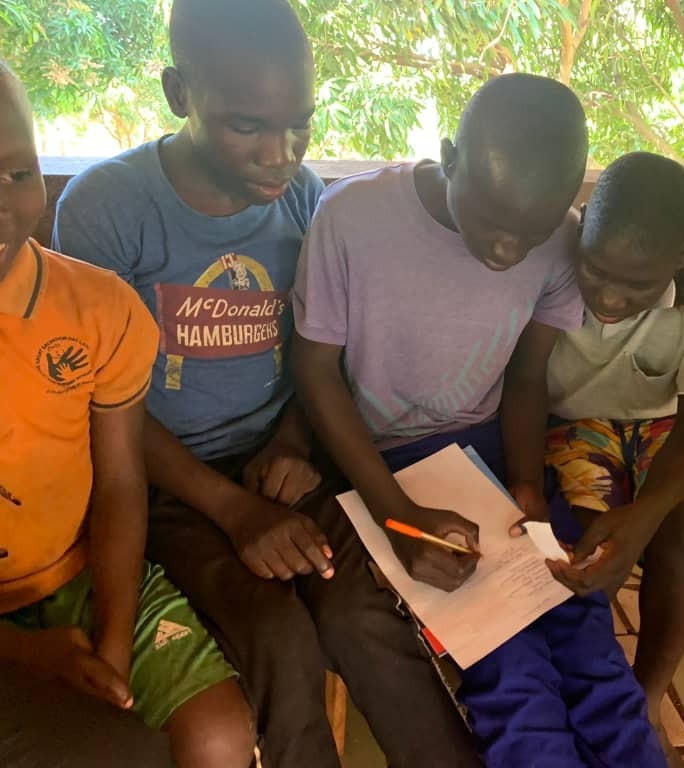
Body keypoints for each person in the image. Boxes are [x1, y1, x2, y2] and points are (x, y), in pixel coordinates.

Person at [52, 1, 480, 766]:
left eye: (299, 125)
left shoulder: (303, 201)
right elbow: (102, 406)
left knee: (358, 612)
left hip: (278, 462)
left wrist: (292, 442)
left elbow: (310, 351)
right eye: (246, 126)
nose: (280, 153)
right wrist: (232, 509)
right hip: (166, 481)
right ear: (179, 92)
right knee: (278, 637)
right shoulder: (109, 210)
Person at [292, 75, 684, 768]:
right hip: (384, 459)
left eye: (529, 235)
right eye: (494, 226)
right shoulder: (351, 218)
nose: (508, 252)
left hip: (491, 452)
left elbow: (527, 375)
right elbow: (317, 375)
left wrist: (529, 489)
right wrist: (397, 513)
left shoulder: (559, 240)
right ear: (449, 156)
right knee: (508, 660)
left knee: (582, 628)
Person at [0, 62, 254, 768]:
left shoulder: (99, 309)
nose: (1, 204)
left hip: (81, 571)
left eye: (19, 174)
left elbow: (118, 481)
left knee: (219, 738)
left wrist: (113, 642)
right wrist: (27, 655)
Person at [539, 152, 684, 761]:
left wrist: (642, 528)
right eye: (596, 272)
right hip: (573, 420)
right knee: (583, 529)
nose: (609, 298)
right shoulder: (554, 245)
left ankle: (648, 694)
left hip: (670, 424)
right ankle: (586, 682)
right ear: (581, 225)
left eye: (638, 284)